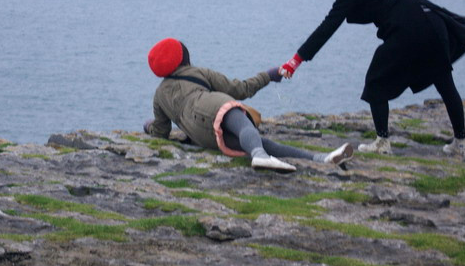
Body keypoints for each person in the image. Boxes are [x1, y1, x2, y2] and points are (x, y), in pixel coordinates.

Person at [279, 0, 465, 159]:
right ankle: (462, 144)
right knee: (444, 82)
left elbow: (329, 25)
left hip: (409, 30)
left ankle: (382, 142)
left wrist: (297, 59)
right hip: (433, 24)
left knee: (375, 81)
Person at [143, 37, 354, 172]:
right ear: (184, 59)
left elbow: (161, 132)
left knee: (258, 142)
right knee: (244, 126)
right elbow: (240, 90)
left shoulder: (159, 95)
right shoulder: (198, 72)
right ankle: (260, 157)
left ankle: (321, 159)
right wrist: (268, 76)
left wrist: (148, 126)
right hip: (210, 105)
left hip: (204, 138)